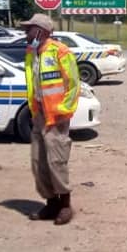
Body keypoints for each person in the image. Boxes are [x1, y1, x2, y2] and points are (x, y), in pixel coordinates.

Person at [21, 13, 81, 226]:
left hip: (56, 116)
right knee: (39, 162)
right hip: (39, 115)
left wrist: (64, 109)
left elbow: (73, 83)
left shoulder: (60, 51)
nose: (25, 33)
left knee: (56, 160)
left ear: (41, 31)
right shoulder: (32, 53)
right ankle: (50, 202)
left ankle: (65, 204)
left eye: (29, 29)